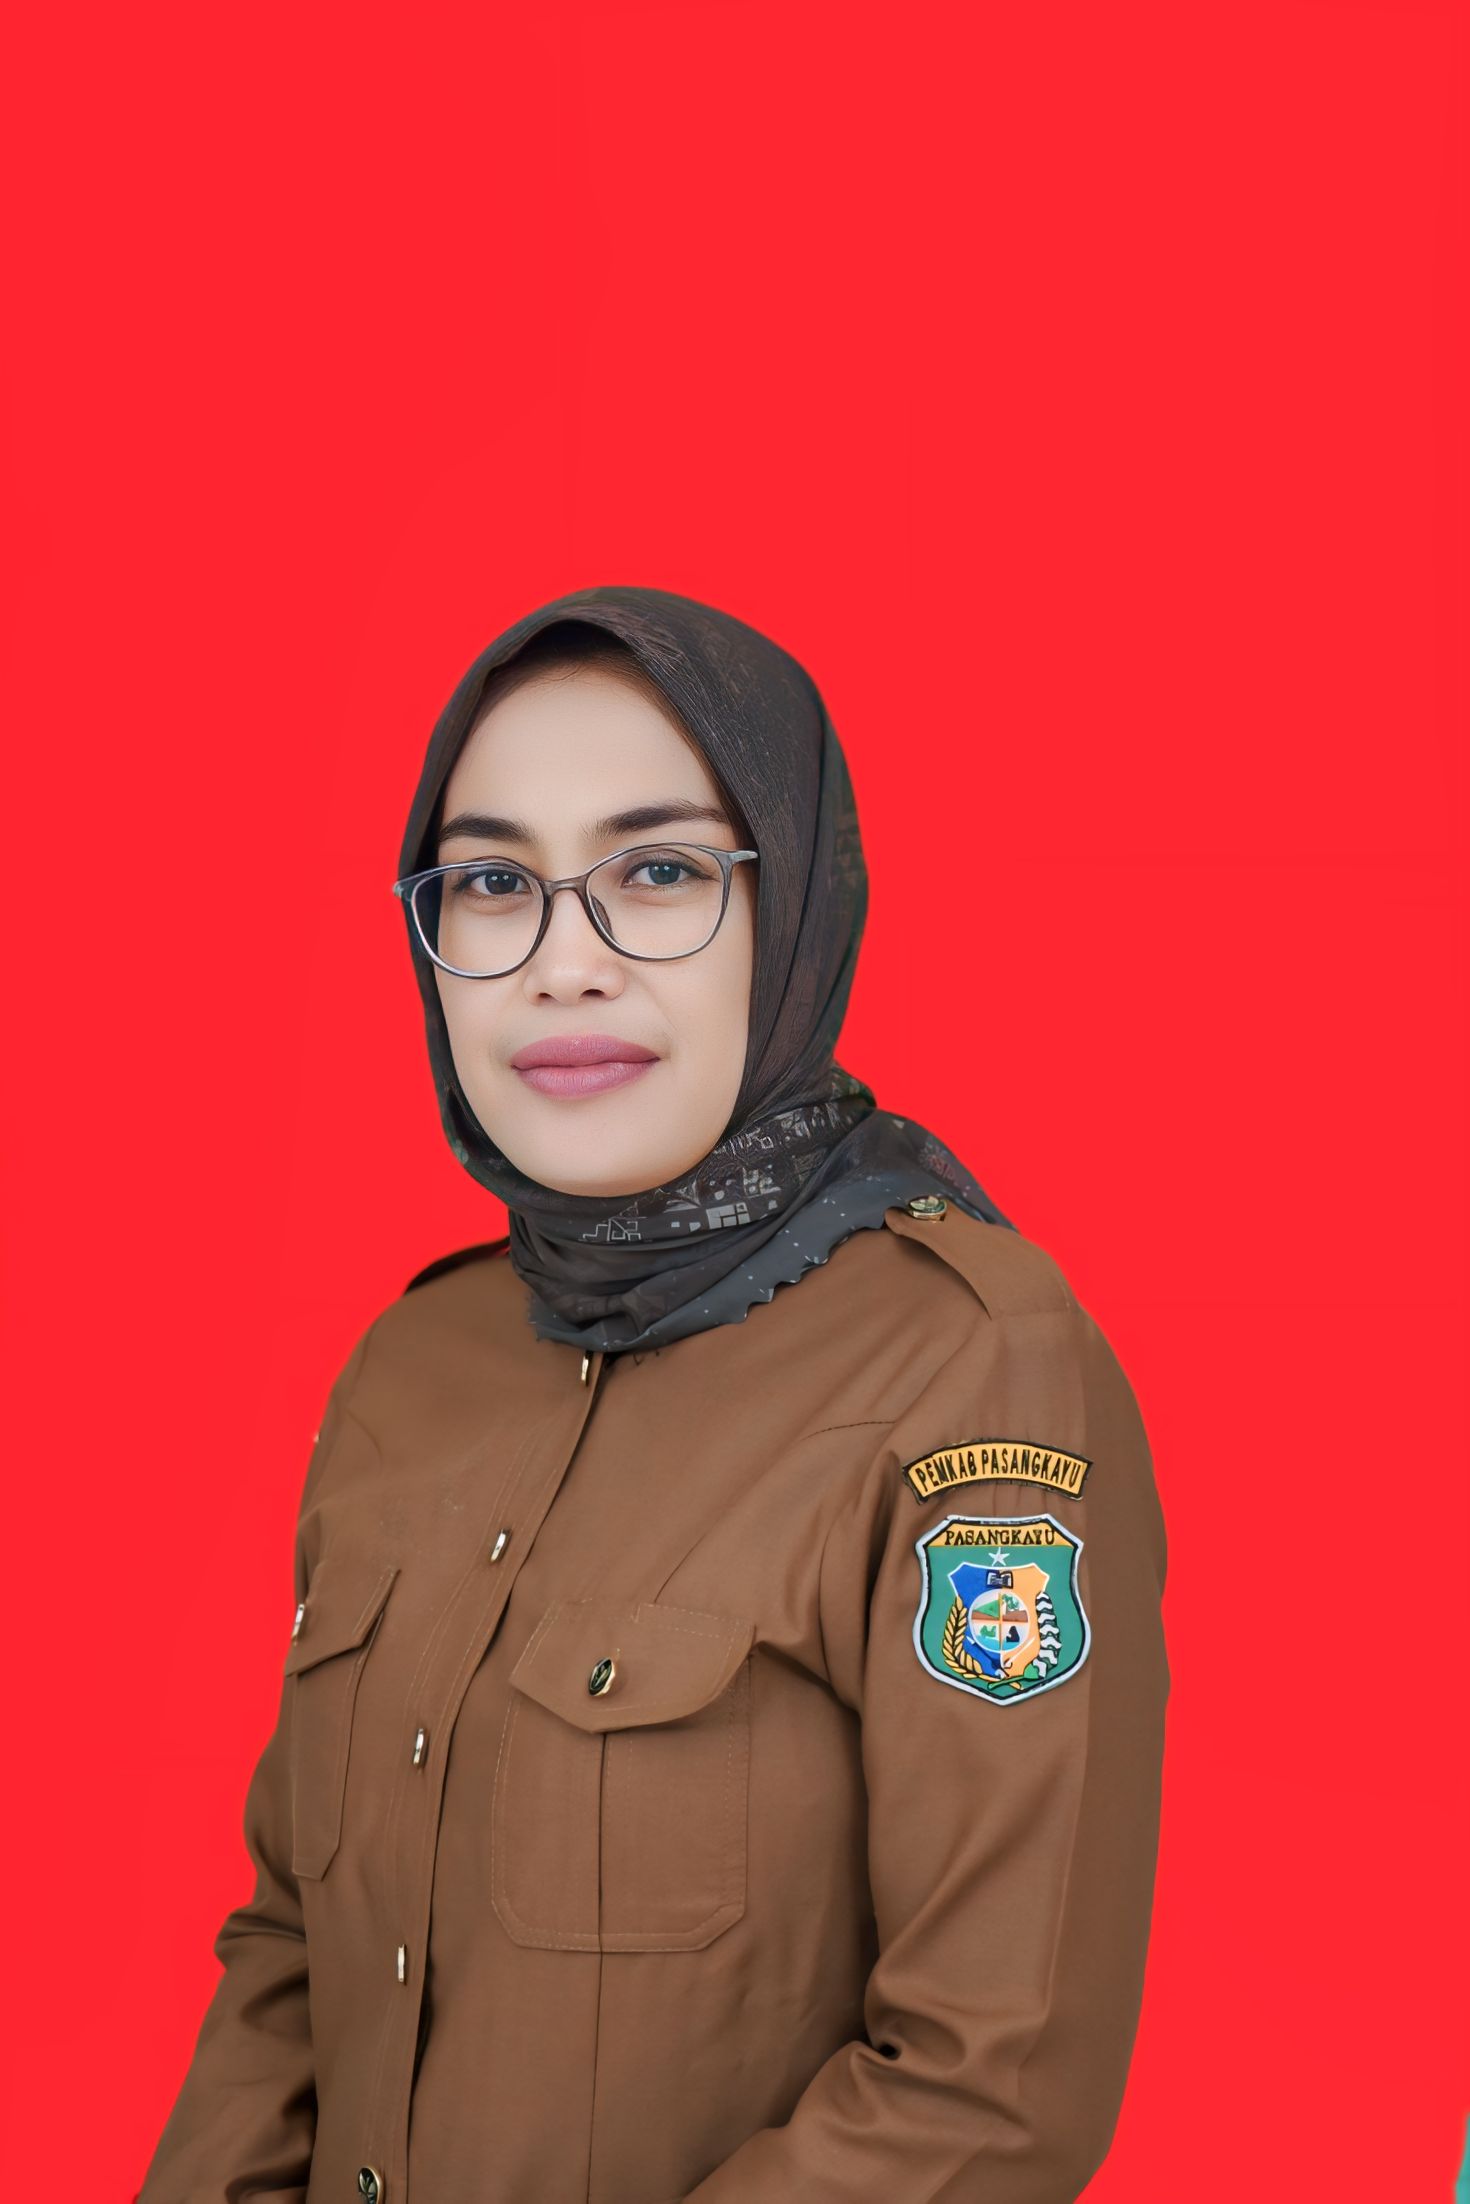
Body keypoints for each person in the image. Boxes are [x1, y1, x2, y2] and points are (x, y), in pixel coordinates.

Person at [138, 584, 1170, 2204]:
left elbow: (992, 2083)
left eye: (661, 873)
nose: (565, 965)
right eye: (494, 884)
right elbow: (292, 1951)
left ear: (794, 907)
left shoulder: (970, 1363)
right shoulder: (413, 1365)